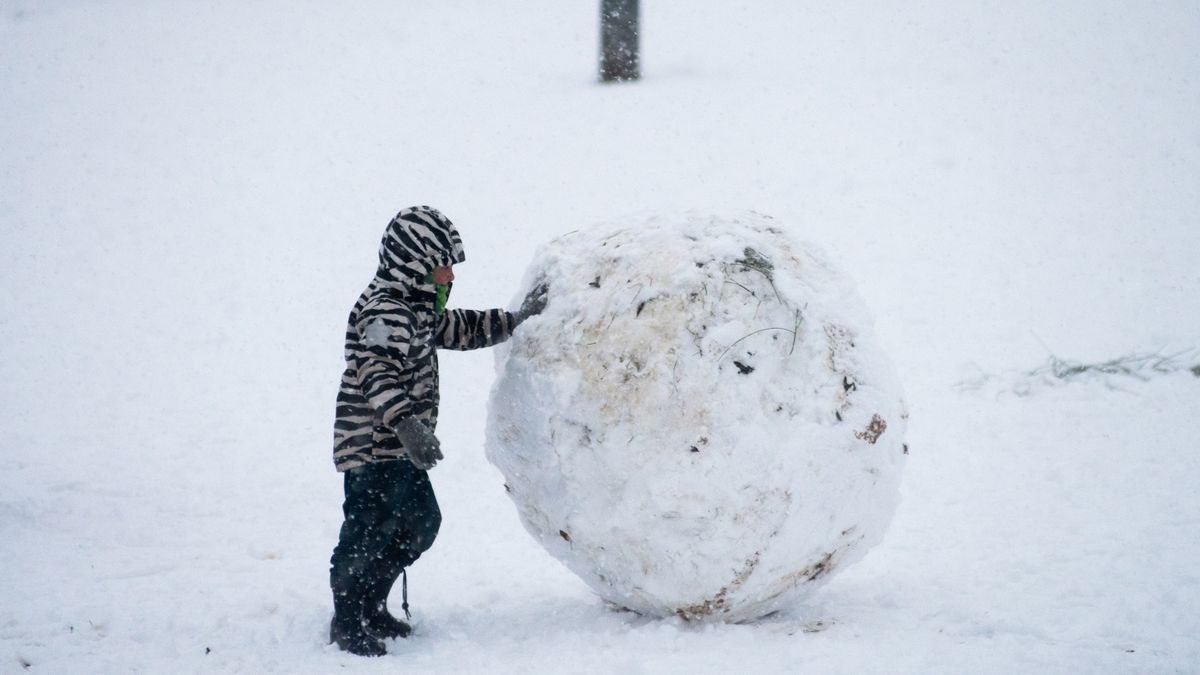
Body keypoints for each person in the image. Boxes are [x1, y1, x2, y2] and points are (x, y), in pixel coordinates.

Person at [328, 205, 547, 656]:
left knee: (420, 523)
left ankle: (372, 603)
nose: (449, 275)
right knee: (367, 529)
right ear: (414, 260)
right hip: (372, 448)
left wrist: (516, 320)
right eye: (441, 263)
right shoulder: (384, 312)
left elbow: (459, 327)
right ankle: (348, 619)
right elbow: (376, 375)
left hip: (402, 450)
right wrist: (408, 425)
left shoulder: (417, 309)